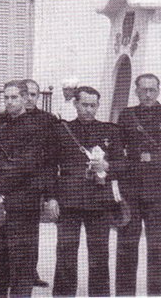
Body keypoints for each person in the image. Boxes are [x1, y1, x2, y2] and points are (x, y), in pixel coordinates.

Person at [47, 85, 123, 297]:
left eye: (93, 105)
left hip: (99, 200)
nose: (89, 109)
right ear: (75, 104)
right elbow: (50, 166)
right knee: (65, 254)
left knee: (99, 255)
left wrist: (107, 166)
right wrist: (51, 197)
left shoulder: (110, 131)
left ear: (98, 106)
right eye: (84, 105)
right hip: (69, 199)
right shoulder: (62, 130)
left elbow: (123, 164)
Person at [0, 80, 45, 298]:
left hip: (22, 201)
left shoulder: (36, 128)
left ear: (25, 98)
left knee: (21, 261)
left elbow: (27, 165)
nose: (9, 102)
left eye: (14, 97)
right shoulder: (1, 126)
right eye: (6, 98)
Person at [117, 73, 161, 296]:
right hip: (131, 188)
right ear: (136, 91)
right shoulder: (127, 116)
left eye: (152, 89)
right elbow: (117, 149)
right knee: (127, 243)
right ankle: (125, 293)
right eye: (143, 90)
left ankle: (157, 292)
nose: (148, 94)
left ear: (159, 90)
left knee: (158, 245)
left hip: (158, 189)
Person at [24, 78, 55, 288]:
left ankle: (29, 272)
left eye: (34, 94)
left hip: (33, 184)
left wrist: (49, 191)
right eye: (25, 93)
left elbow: (52, 158)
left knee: (30, 232)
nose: (29, 98)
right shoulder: (2, 119)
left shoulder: (48, 120)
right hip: (7, 186)